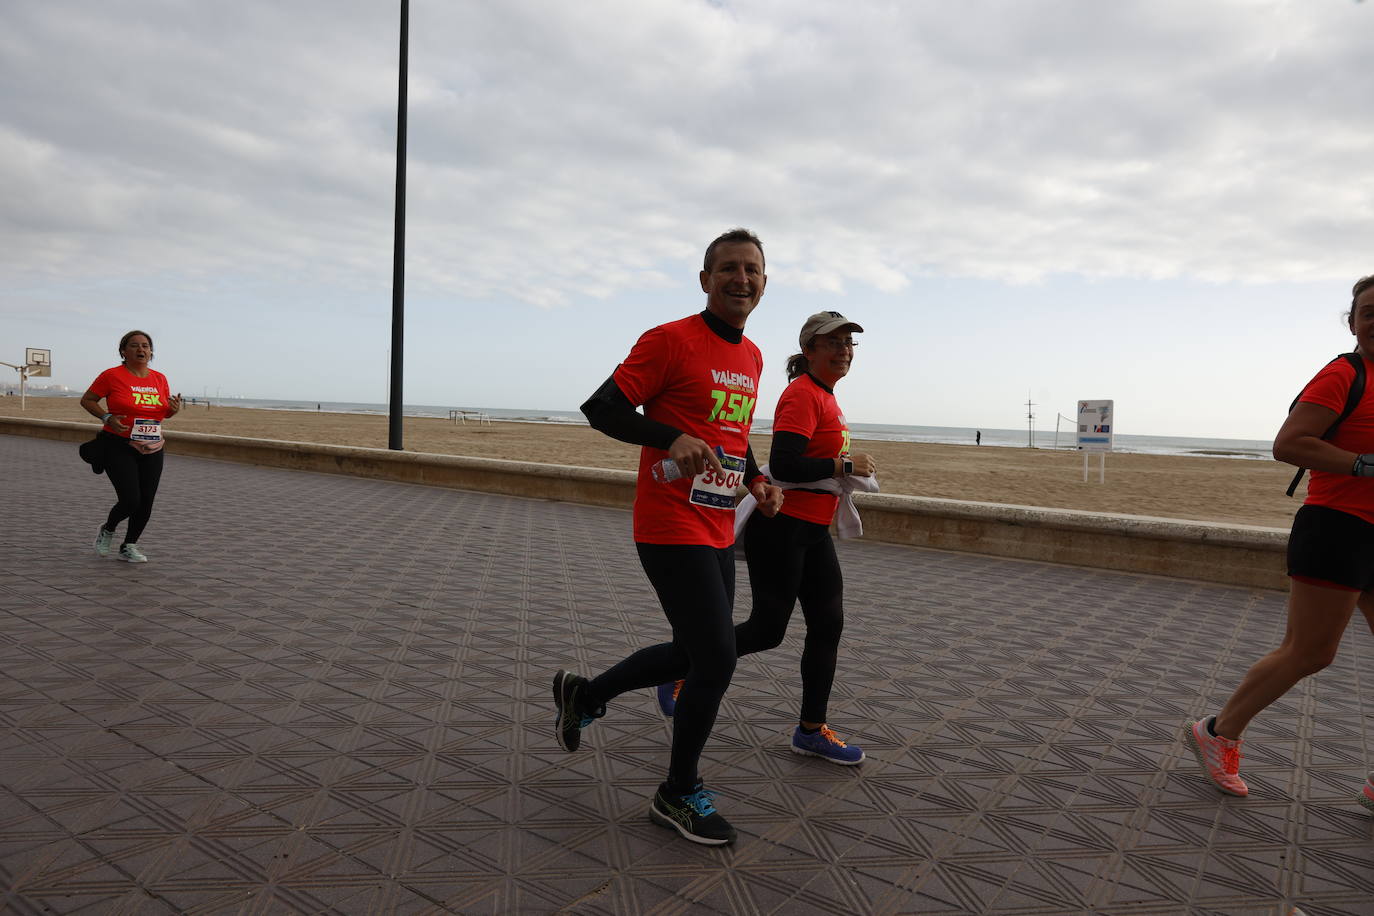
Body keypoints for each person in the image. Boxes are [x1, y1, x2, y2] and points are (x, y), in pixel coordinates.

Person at [553, 228, 784, 846]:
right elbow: (601, 408)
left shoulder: (755, 355)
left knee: (692, 654)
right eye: (729, 268)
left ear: (764, 284)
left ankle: (586, 695)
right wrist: (667, 438)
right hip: (667, 523)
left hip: (717, 524)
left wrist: (757, 481)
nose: (742, 279)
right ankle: (677, 792)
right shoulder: (670, 340)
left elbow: (732, 437)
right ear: (706, 280)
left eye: (753, 270)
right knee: (717, 658)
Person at [1187, 274, 1374, 814]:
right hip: (1338, 526)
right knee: (1311, 651)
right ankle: (1217, 732)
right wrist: (1364, 464)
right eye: (1369, 310)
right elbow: (1288, 444)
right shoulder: (1344, 374)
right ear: (1353, 322)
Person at [657, 312, 878, 766]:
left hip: (813, 531)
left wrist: (842, 469)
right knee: (766, 630)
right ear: (808, 351)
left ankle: (811, 730)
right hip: (782, 527)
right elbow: (785, 462)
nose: (843, 350)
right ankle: (681, 667)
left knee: (828, 625)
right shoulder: (802, 394)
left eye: (848, 343)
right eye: (832, 342)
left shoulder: (826, 396)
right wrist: (845, 467)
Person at [79, 330, 182, 563]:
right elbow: (87, 399)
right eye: (134, 345)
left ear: (151, 351)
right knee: (131, 499)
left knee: (147, 500)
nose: (141, 349)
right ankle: (108, 528)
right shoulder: (111, 375)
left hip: (153, 446)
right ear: (123, 351)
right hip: (119, 444)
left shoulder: (159, 378)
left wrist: (172, 410)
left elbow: (161, 412)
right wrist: (106, 418)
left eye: (145, 346)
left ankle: (129, 545)